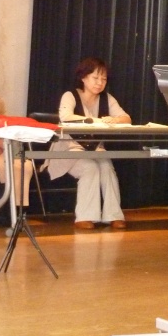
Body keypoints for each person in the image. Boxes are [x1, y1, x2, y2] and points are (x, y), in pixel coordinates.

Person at [48, 57, 131, 229]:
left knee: (107, 167)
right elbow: (66, 117)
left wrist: (115, 120)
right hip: (68, 149)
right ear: (83, 77)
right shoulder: (70, 95)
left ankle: (114, 215)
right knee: (90, 168)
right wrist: (96, 120)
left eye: (104, 79)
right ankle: (84, 217)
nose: (100, 83)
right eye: (95, 78)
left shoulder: (107, 98)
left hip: (95, 149)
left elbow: (126, 118)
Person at [0, 94, 34, 209]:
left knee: (24, 165)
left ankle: (18, 209)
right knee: (3, 165)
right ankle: (5, 208)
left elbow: (4, 126)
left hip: (1, 148)